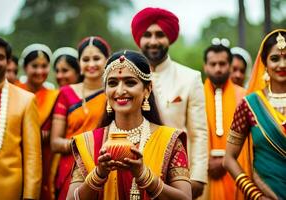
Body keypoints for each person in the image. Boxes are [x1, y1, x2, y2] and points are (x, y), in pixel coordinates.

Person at [66, 50, 192, 200]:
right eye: (112, 83)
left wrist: (144, 176)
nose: (120, 91)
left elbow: (185, 198)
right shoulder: (89, 143)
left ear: (147, 89)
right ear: (105, 91)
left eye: (130, 82)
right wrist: (98, 175)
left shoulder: (168, 140)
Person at [131, 7, 208, 198]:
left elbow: (199, 133)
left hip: (177, 174)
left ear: (169, 38)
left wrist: (198, 177)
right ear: (139, 38)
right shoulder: (126, 77)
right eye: (147, 35)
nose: (153, 41)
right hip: (133, 169)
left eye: (160, 34)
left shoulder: (190, 78)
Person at [223, 29, 286, 200]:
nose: (282, 64)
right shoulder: (249, 105)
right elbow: (228, 159)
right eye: (275, 58)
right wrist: (254, 195)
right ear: (264, 62)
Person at [50, 36, 110, 199]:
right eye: (86, 59)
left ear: (107, 61)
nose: (91, 64)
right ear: (80, 64)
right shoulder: (66, 93)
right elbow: (55, 142)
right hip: (70, 168)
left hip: (105, 165)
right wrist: (85, 144)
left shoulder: (114, 93)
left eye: (96, 58)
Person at [0, 36, 42, 199]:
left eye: (0, 57)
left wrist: (30, 196)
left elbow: (33, 157)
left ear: (8, 62)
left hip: (10, 191)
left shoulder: (26, 99)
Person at [202, 39, 250, 200]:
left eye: (222, 64)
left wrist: (226, 161)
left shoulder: (245, 97)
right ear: (205, 66)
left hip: (237, 170)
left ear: (229, 66)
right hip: (204, 172)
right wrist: (204, 162)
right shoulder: (195, 96)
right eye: (213, 64)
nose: (218, 68)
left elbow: (250, 139)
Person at [17, 43, 59, 199]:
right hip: (16, 156)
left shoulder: (54, 95)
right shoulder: (15, 91)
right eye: (34, 66)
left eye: (44, 66)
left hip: (46, 156)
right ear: (25, 67)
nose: (40, 71)